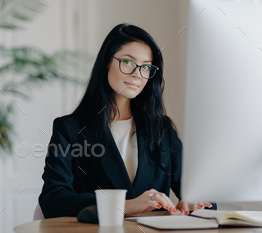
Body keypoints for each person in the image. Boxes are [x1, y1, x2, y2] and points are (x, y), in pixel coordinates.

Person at [39, 23, 213, 218]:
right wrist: (124, 206)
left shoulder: (161, 128)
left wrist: (194, 202)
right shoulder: (70, 129)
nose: (137, 74)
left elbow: (204, 196)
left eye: (145, 67)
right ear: (107, 62)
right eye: (128, 62)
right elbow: (53, 199)